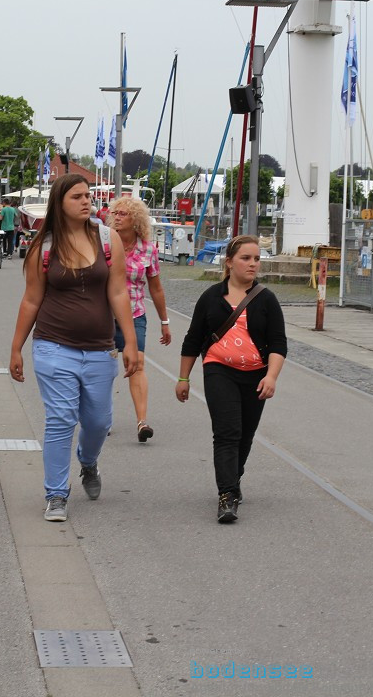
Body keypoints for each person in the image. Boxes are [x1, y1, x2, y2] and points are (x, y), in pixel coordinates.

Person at [9, 174, 138, 522]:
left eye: (88, 196)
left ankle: (88, 461)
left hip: (100, 349)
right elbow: (31, 299)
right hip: (53, 347)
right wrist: (16, 348)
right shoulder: (44, 247)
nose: (86, 202)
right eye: (77, 197)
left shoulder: (108, 240)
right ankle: (56, 494)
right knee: (60, 419)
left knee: (98, 421)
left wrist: (131, 342)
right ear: (60, 204)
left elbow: (118, 292)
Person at [175, 235, 287, 523]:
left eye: (256, 259)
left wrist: (271, 376)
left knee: (245, 435)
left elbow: (278, 344)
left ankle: (232, 480)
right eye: (246, 258)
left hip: (256, 376)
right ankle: (227, 495)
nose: (252, 264)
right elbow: (192, 340)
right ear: (229, 263)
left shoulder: (266, 300)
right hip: (219, 369)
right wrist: (183, 378)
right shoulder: (211, 297)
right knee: (227, 432)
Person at [107, 197, 171, 442]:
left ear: (136, 219)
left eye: (123, 213)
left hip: (134, 313)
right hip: (103, 314)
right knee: (104, 367)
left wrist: (164, 321)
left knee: (137, 364)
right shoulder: (103, 244)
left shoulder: (148, 249)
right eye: (116, 213)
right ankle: (103, 417)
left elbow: (155, 288)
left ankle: (142, 422)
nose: (117, 217)